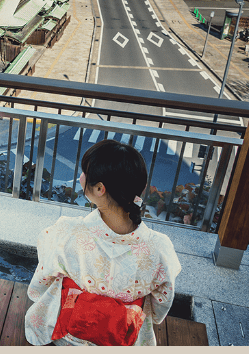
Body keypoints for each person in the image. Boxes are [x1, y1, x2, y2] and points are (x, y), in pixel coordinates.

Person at [24, 139, 181, 346]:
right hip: (124, 337)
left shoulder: (67, 231)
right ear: (140, 189)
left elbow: (42, 281)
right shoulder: (159, 248)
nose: (81, 177)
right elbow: (162, 303)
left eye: (84, 172)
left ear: (99, 188)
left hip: (71, 335)